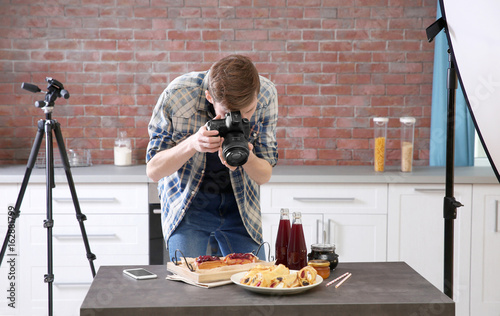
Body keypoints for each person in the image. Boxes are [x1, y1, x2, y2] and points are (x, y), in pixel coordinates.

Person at [146, 54, 278, 261]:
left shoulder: (267, 93)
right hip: (188, 206)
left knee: (254, 283)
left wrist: (247, 157)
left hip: (241, 208)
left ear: (257, 95)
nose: (240, 121)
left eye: (249, 112)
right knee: (188, 285)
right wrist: (192, 144)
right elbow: (153, 171)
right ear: (209, 97)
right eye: (228, 115)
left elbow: (263, 175)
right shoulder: (177, 94)